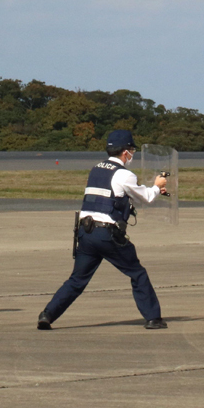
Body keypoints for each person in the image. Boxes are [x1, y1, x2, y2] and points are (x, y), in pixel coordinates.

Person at [38, 130, 168, 330]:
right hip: (107, 234)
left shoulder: (96, 169)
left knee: (77, 280)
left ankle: (47, 314)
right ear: (125, 152)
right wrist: (158, 186)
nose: (132, 154)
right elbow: (147, 197)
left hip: (86, 233)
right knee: (137, 273)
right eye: (131, 150)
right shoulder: (124, 174)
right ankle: (153, 318)